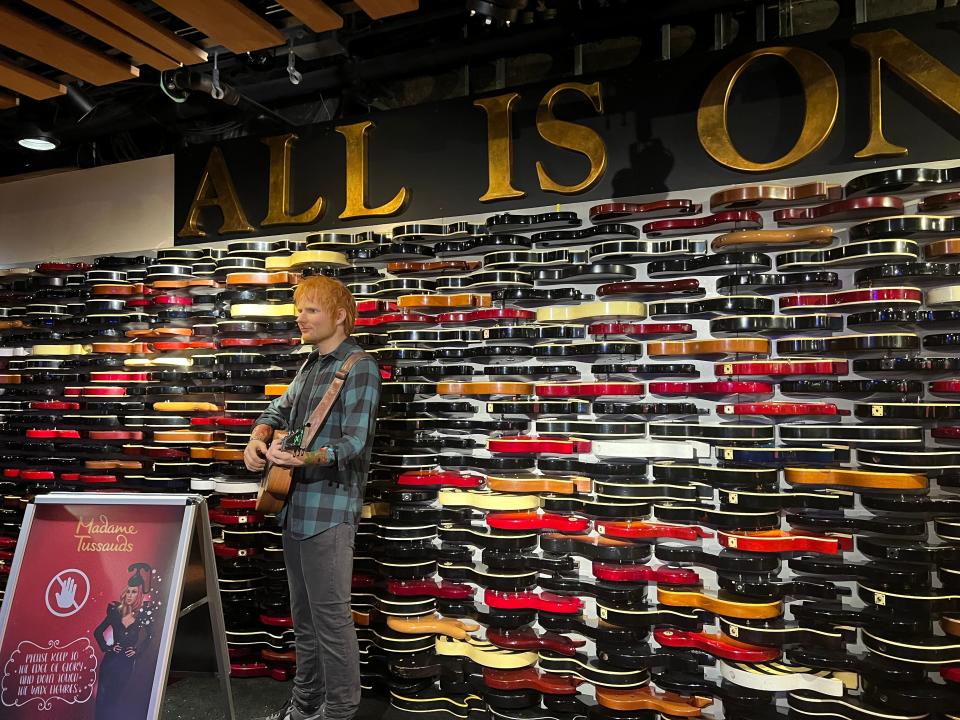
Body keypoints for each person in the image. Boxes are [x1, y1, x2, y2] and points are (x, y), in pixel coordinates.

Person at [244, 275, 381, 720]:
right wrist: (258, 435)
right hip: (293, 508)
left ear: (340, 315)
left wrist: (307, 457)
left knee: (331, 620)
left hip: (330, 510)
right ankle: (304, 708)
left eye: (310, 310)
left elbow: (355, 442)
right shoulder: (309, 366)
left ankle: (339, 711)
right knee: (304, 620)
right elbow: (276, 410)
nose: (299, 317)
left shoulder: (359, 365)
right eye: (299, 309)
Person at [92, 563, 156, 720]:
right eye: (128, 591)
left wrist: (137, 651)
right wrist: (107, 647)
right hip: (110, 662)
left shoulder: (142, 616)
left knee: (114, 698)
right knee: (102, 698)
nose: (129, 595)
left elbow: (150, 636)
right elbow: (98, 632)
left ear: (139, 595)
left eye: (134, 592)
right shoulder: (115, 611)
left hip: (126, 663)